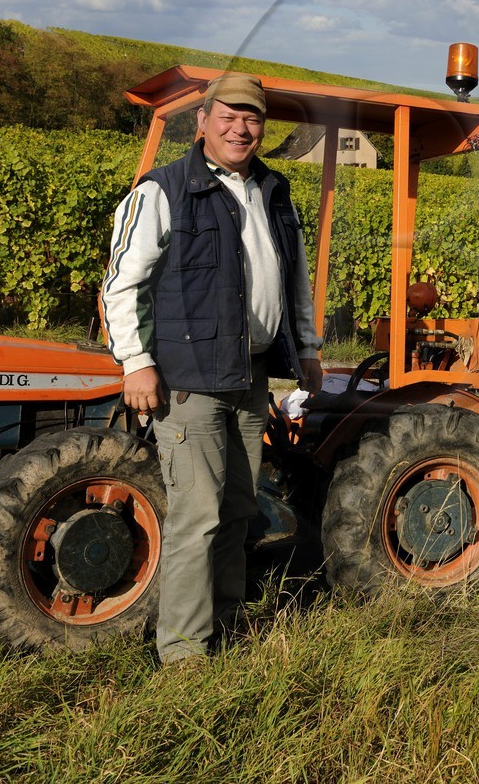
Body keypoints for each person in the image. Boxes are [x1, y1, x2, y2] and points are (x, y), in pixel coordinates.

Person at [102, 71, 323, 667]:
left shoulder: (274, 193)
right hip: (190, 378)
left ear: (263, 129)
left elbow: (295, 282)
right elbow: (121, 283)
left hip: (249, 376)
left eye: (251, 118)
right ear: (202, 122)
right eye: (228, 116)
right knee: (198, 515)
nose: (239, 128)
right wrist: (137, 362)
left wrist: (306, 347)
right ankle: (183, 654)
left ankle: (221, 626)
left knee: (239, 510)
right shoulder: (164, 190)